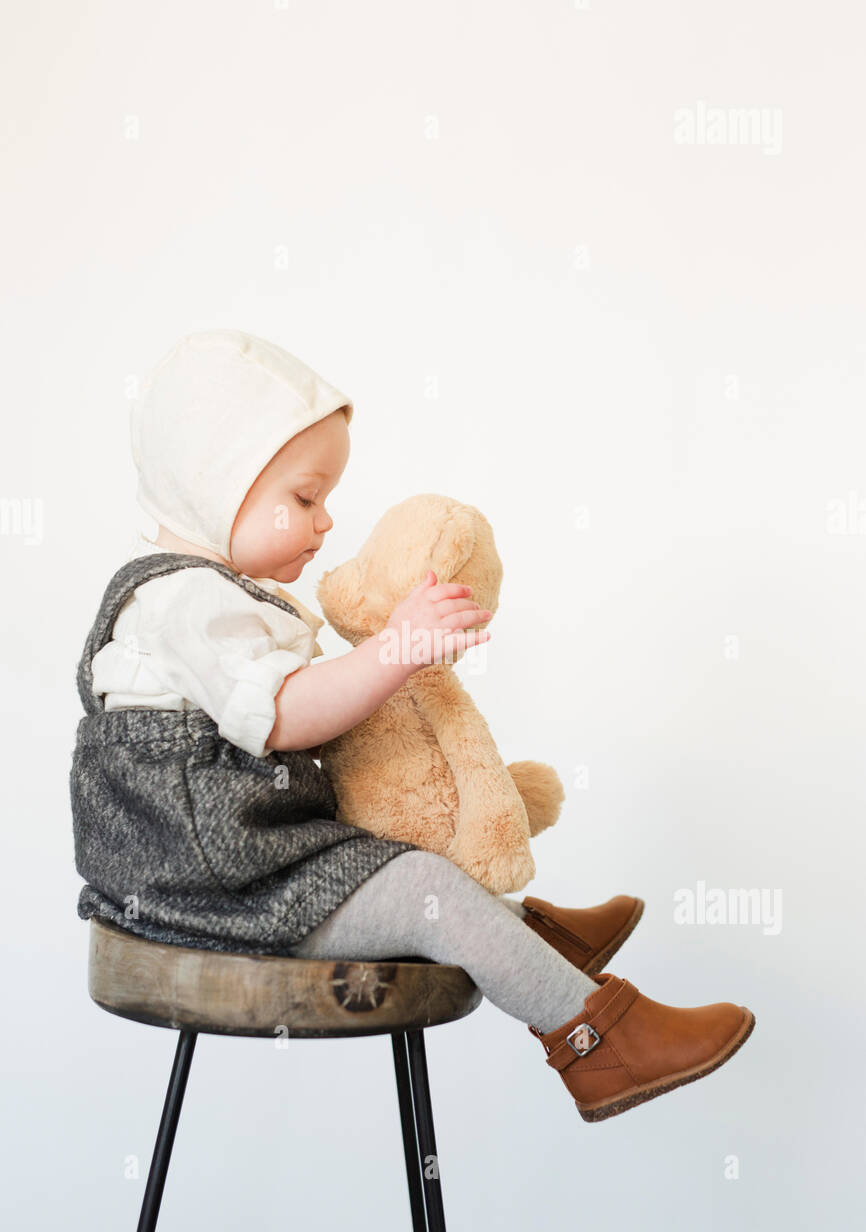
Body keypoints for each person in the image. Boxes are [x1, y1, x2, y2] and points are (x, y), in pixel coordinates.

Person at [69, 329, 754, 1123]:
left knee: (407, 858)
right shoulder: (185, 603)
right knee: (422, 888)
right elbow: (286, 717)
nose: (326, 522)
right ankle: (598, 1043)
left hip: (245, 860)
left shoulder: (207, 598)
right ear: (212, 487)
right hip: (211, 887)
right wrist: (400, 649)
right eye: (304, 497)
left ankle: (530, 939)